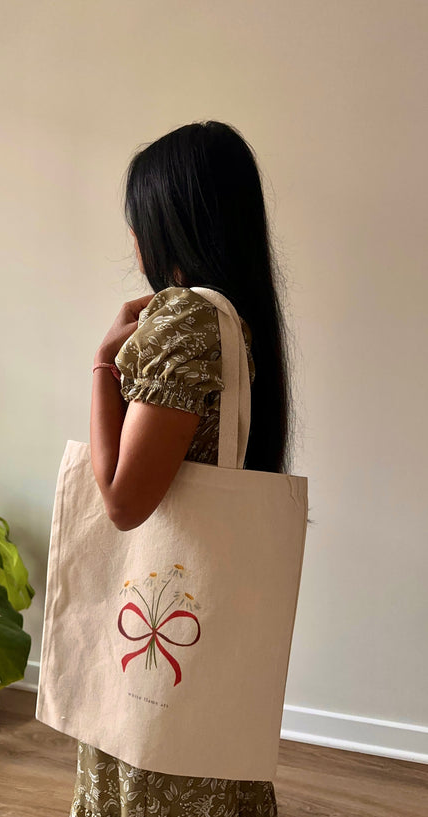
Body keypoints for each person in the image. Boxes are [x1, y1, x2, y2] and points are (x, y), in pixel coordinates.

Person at [71, 120, 292, 817]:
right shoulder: (235, 320)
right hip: (196, 602)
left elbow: (122, 502)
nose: (134, 239)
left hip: (156, 609)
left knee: (149, 746)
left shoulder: (184, 320)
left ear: (169, 221)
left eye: (138, 220)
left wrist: (103, 366)